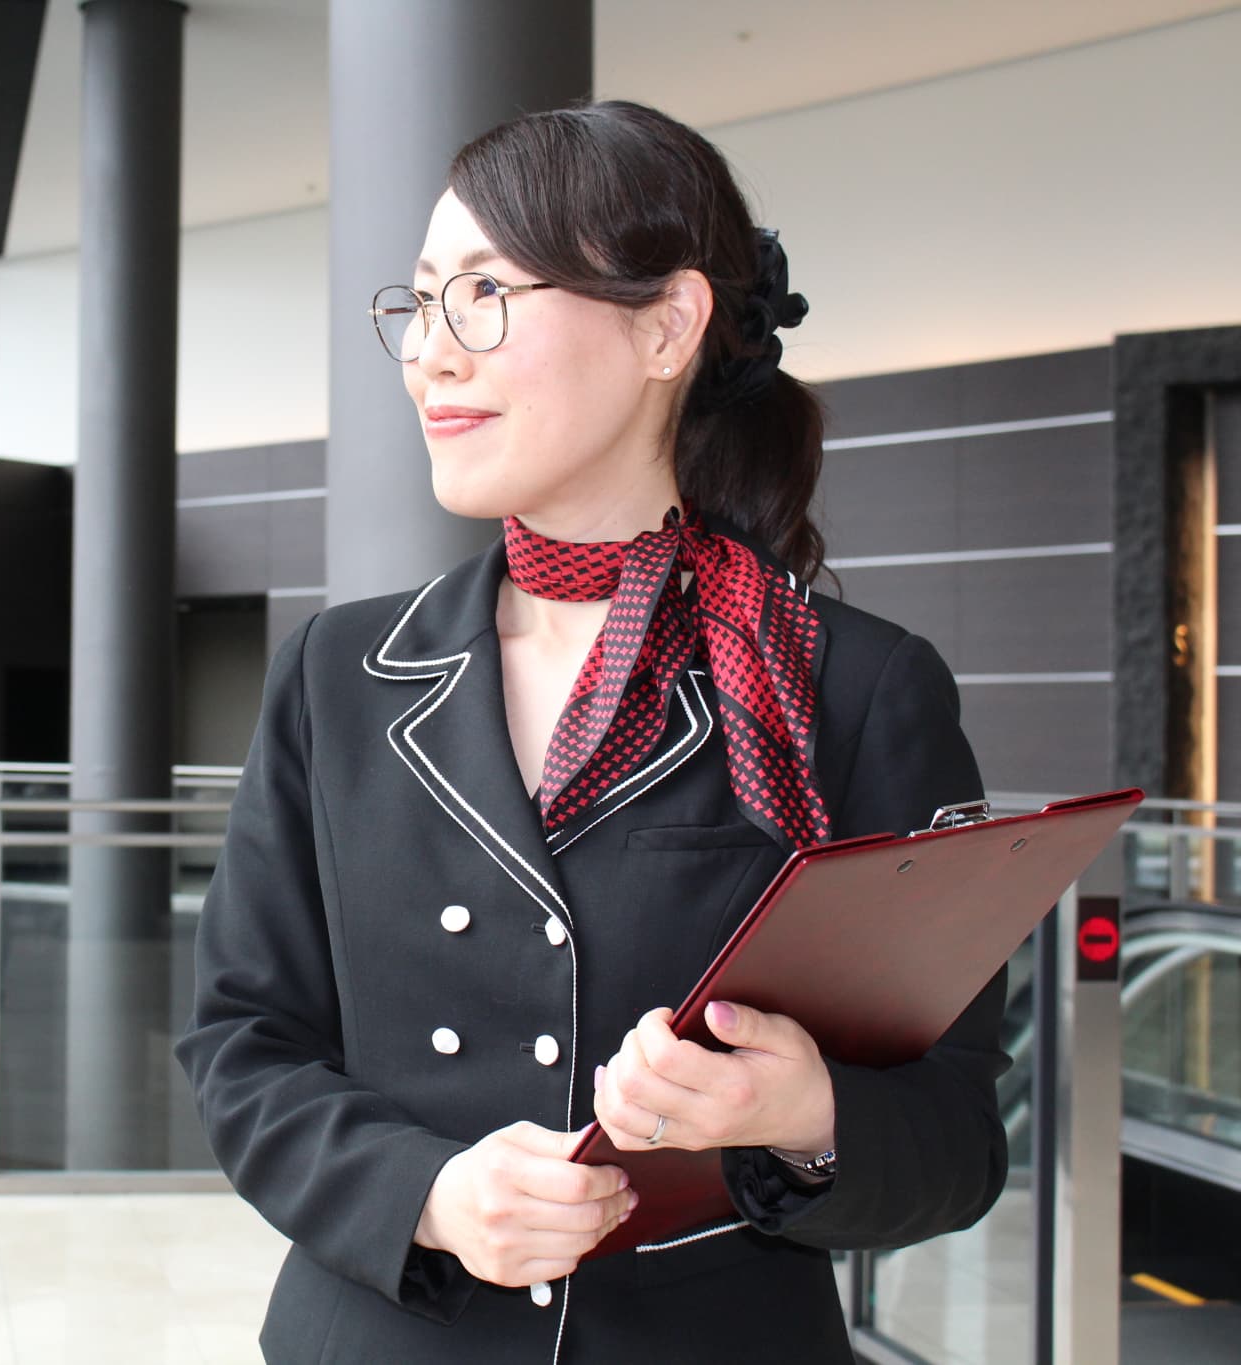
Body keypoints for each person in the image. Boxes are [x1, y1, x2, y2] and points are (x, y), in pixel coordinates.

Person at [174, 99, 1009, 1363]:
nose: (430, 356)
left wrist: (801, 1111)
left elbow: (953, 1139)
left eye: (484, 297)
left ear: (666, 324)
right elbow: (243, 1044)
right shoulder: (339, 671)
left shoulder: (851, 688)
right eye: (417, 307)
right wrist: (429, 1195)